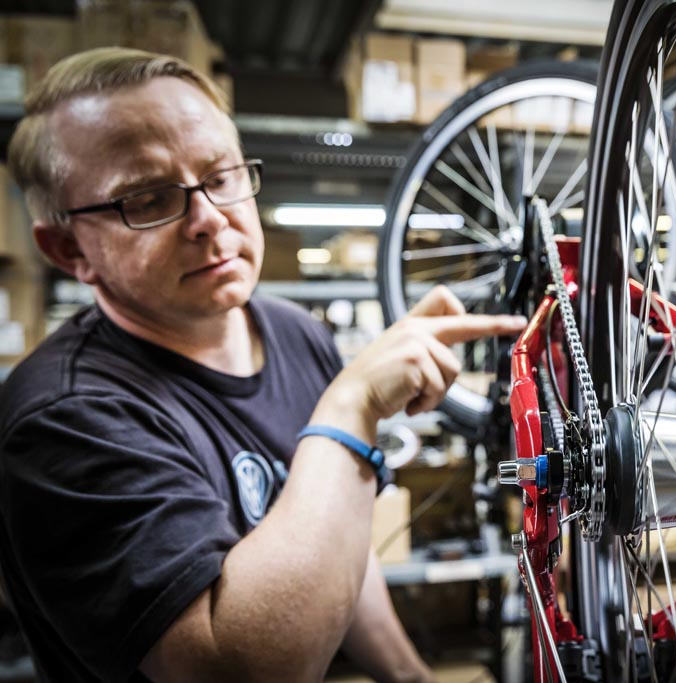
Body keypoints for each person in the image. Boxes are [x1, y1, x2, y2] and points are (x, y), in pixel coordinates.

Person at [0, 47, 525, 682]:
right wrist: (351, 405)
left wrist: (410, 677)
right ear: (68, 249)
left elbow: (335, 550)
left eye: (220, 176)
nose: (208, 219)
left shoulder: (294, 332)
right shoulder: (66, 418)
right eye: (148, 199)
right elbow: (237, 670)